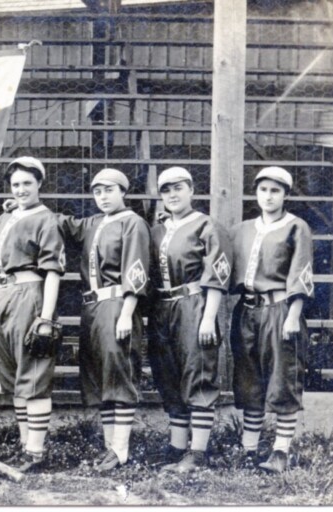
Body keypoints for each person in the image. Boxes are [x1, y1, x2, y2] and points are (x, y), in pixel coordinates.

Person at [58, 168, 150, 472]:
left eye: (109, 190)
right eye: (97, 192)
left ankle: (121, 449)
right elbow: (60, 224)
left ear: (123, 191)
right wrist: (18, 209)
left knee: (118, 372)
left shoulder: (132, 222)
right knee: (99, 376)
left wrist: (126, 312)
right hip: (92, 308)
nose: (103, 197)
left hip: (117, 304)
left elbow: (135, 271)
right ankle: (110, 448)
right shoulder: (93, 223)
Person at [0, 156, 65, 473]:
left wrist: (45, 317)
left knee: (33, 374)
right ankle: (24, 444)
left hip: (29, 295)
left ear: (39, 184)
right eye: (15, 184)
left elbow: (53, 271)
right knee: (14, 376)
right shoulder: (4, 218)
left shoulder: (46, 220)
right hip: (1, 295)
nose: (20, 189)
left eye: (27, 183)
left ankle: (36, 452)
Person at [230, 166, 314, 473]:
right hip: (247, 311)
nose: (268, 196)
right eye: (263, 190)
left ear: (286, 195)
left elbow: (301, 272)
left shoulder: (296, 227)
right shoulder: (242, 230)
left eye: (275, 190)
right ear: (256, 193)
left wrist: (293, 315)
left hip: (281, 311)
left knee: (282, 380)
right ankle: (248, 450)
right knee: (250, 380)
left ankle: (280, 451)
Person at [148, 167, 232, 472]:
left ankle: (197, 454)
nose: (172, 194)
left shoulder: (208, 226)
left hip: (195, 305)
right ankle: (176, 448)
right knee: (168, 375)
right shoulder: (156, 230)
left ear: (192, 190)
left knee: (198, 372)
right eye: (166, 190)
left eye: (178, 188)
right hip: (163, 307)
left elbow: (217, 279)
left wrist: (209, 318)